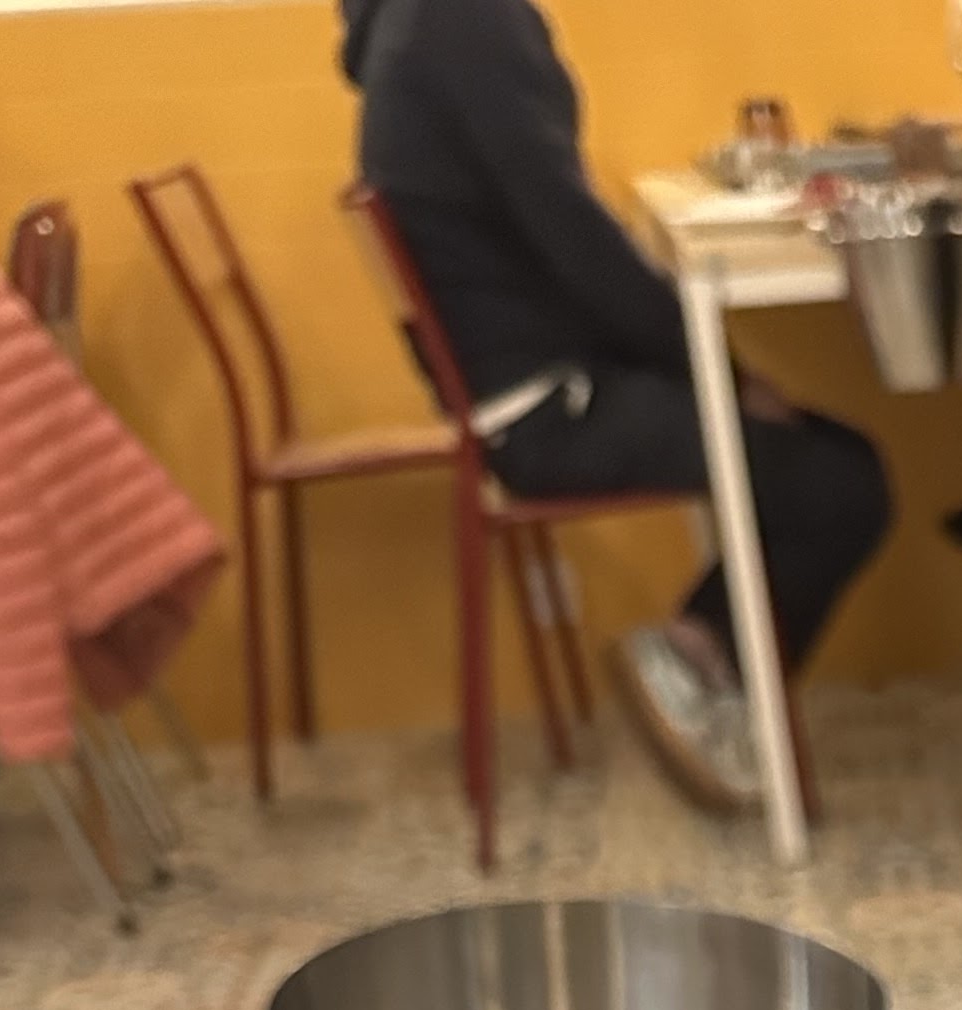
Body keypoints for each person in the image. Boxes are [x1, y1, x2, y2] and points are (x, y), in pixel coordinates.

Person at [342, 0, 893, 811]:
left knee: (827, 465)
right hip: (550, 408)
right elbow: (571, 234)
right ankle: (693, 660)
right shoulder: (462, 16)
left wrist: (709, 373)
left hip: (517, 398)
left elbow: (560, 235)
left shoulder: (409, 25)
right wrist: (722, 377)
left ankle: (699, 659)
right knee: (840, 483)